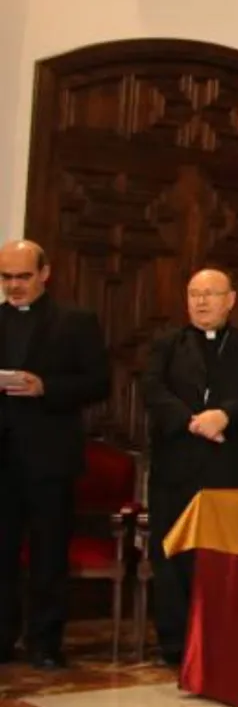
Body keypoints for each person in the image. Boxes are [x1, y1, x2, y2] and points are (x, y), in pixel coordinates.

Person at [139, 268, 238, 666]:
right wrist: (192, 422)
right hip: (175, 466)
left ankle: (222, 642)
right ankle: (175, 646)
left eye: (211, 294)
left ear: (231, 299)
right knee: (173, 555)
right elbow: (152, 389)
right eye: (194, 294)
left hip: (229, 469)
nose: (201, 302)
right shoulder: (166, 344)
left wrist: (225, 416)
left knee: (223, 559)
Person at [0, 241, 108, 669]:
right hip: (2, 458)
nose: (14, 286)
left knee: (49, 553)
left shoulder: (75, 322)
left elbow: (98, 382)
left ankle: (45, 642)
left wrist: (47, 387)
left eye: (22, 277)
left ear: (44, 273)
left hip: (49, 457)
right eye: (6, 278)